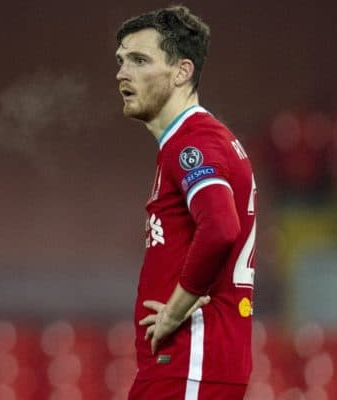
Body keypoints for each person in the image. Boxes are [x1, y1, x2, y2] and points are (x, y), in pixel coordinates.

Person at [115, 6, 258, 400]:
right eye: (121, 61)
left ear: (181, 72)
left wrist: (174, 312)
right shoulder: (194, 139)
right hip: (183, 367)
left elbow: (221, 228)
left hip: (191, 361)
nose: (122, 73)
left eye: (140, 60)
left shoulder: (193, 142)